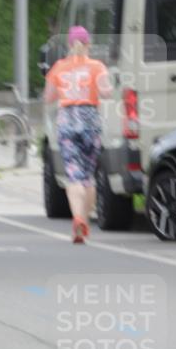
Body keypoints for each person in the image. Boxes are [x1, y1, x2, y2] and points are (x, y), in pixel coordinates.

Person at [44, 25, 113, 242]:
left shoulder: (59, 67)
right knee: (88, 177)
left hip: (67, 121)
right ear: (88, 44)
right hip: (90, 120)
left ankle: (77, 218)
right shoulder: (97, 66)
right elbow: (106, 92)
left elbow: (48, 97)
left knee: (73, 175)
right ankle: (85, 217)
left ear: (69, 45)